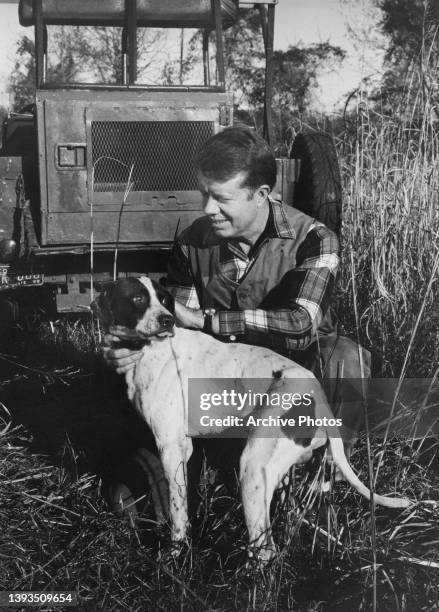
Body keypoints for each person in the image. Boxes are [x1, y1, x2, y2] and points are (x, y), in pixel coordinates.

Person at [103, 126, 369, 444]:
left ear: (260, 195)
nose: (207, 209)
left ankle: (326, 466)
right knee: (128, 492)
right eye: (204, 194)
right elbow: (174, 334)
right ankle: (219, 452)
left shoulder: (315, 239)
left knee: (345, 357)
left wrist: (206, 319)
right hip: (224, 378)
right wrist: (128, 346)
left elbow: (301, 326)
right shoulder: (191, 243)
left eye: (221, 198)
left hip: (299, 371)